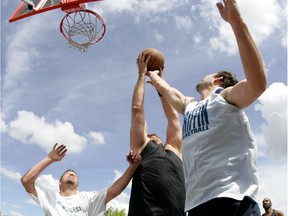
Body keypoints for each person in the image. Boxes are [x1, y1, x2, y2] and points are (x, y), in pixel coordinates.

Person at [146, 0, 267, 215]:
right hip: (196, 205)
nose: (201, 75)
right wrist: (152, 75)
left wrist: (237, 23)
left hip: (232, 198)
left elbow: (257, 84)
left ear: (218, 80)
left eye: (207, 74)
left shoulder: (225, 97)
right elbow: (170, 92)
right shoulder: (191, 105)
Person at [127, 52, 185, 215]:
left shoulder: (175, 150)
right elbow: (137, 110)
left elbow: (173, 117)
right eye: (149, 135)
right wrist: (141, 75)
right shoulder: (142, 148)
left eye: (153, 134)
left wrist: (159, 83)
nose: (151, 134)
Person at [21, 143, 141, 216]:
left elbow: (115, 190)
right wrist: (49, 159)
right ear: (59, 183)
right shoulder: (50, 197)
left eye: (74, 174)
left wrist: (133, 166)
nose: (72, 174)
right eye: (68, 173)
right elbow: (26, 181)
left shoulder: (88, 198)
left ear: (77, 186)